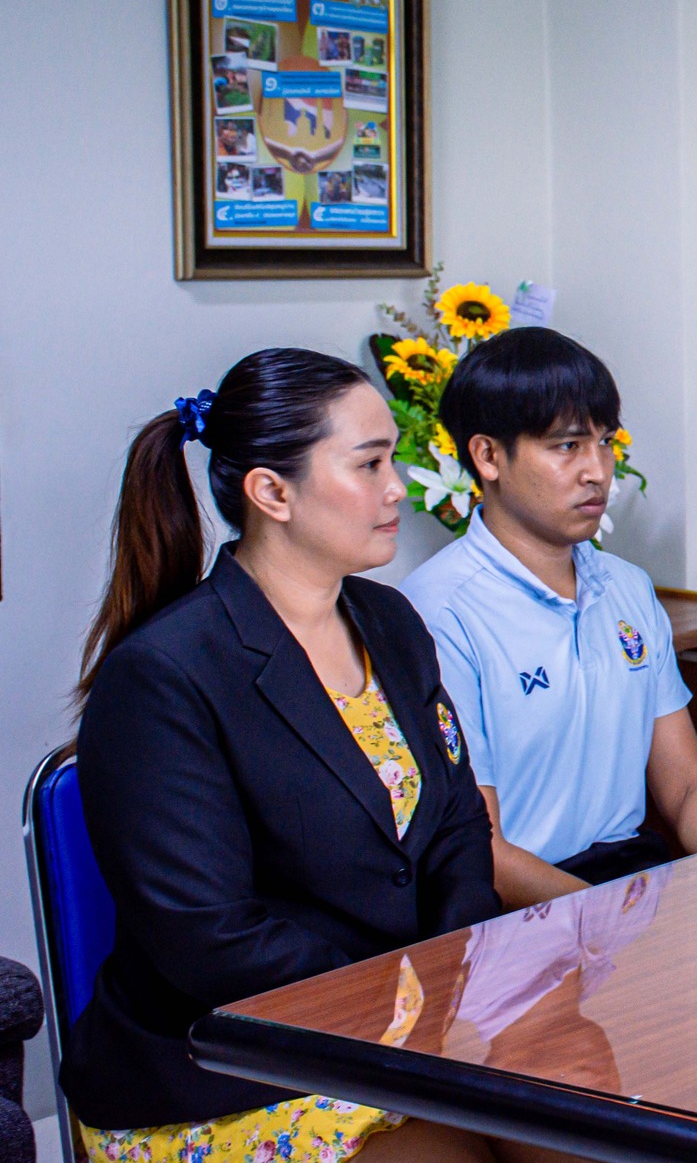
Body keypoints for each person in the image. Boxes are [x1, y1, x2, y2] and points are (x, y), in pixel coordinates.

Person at [63, 349, 545, 1163]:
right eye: (369, 463)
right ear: (271, 492)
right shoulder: (163, 675)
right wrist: (406, 998)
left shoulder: (391, 621)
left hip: (405, 1029)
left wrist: (446, 980)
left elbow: (460, 825)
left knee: (593, 1125)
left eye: (394, 459)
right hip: (231, 1067)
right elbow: (210, 937)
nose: (398, 488)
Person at [403, 328, 697, 909]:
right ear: (487, 456)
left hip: (629, 880)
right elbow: (482, 850)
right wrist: (615, 925)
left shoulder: (627, 587)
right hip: (514, 907)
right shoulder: (439, 612)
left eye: (605, 442)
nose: (598, 471)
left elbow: (689, 788)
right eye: (567, 446)